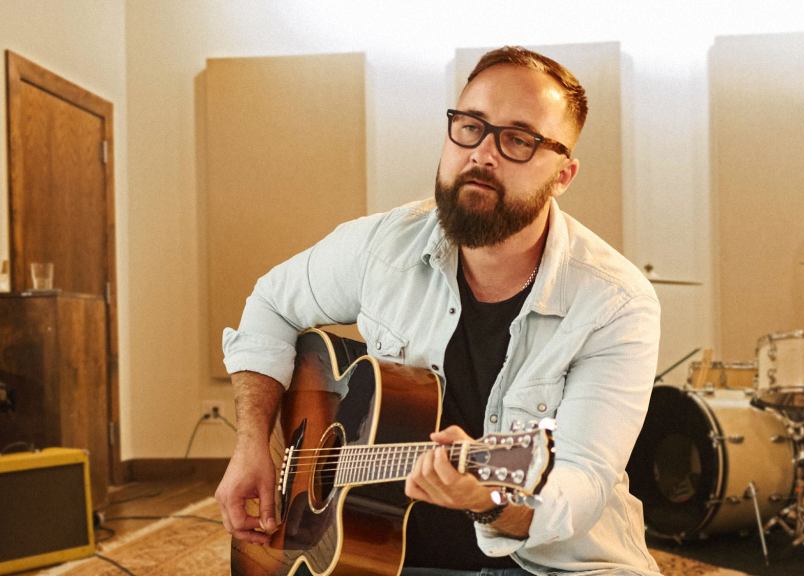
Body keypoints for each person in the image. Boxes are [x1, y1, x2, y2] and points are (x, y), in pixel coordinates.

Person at [215, 46, 662, 576]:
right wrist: (252, 445)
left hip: (553, 563)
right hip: (380, 552)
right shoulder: (384, 244)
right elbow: (270, 303)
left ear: (563, 175)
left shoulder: (616, 302)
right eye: (471, 126)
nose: (483, 154)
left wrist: (488, 499)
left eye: (518, 139)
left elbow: (581, 481)